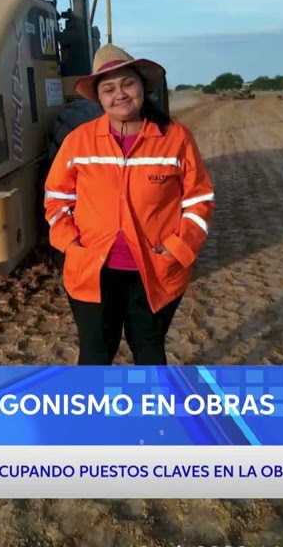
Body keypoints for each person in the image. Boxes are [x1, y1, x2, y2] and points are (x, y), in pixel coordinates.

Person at [44, 44, 215, 365]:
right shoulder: (78, 141)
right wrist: (71, 243)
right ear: (98, 97)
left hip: (154, 269)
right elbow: (57, 199)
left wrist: (179, 247)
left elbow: (199, 200)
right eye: (108, 88)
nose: (119, 94)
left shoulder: (176, 137)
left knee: (149, 350)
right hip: (92, 269)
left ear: (142, 86)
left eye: (127, 83)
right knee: (95, 354)